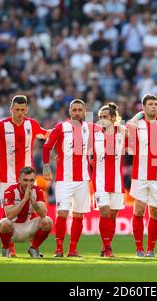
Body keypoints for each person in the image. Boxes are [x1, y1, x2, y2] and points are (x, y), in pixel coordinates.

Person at [0, 95, 49, 257]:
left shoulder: (32, 124)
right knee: (7, 214)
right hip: (7, 177)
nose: (19, 113)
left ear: (27, 110)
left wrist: (65, 129)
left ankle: (33, 246)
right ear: (11, 109)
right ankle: (9, 247)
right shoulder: (1, 126)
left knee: (32, 209)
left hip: (28, 177)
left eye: (22, 110)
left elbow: (46, 135)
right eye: (16, 110)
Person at [43, 99, 101, 257]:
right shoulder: (61, 127)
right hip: (64, 179)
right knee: (62, 213)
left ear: (84, 111)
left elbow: (110, 129)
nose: (77, 112)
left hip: (83, 180)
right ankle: (59, 249)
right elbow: (47, 146)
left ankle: (72, 250)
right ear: (69, 112)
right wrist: (46, 166)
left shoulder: (89, 127)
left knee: (78, 215)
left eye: (80, 110)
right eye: (74, 109)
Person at [127, 94, 157, 257]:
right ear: (143, 107)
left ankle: (151, 249)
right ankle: (139, 248)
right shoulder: (137, 125)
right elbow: (129, 124)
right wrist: (138, 115)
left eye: (155, 104)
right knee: (138, 210)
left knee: (155, 213)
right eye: (150, 104)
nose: (153, 107)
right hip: (140, 175)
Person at [92, 102, 126, 257]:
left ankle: (104, 245)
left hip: (117, 181)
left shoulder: (123, 131)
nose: (102, 119)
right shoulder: (94, 133)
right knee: (105, 212)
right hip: (99, 181)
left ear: (113, 118)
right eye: (100, 117)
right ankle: (108, 248)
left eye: (105, 116)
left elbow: (137, 120)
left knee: (113, 214)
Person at [0, 166, 53, 258]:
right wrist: (24, 200)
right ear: (19, 179)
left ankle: (34, 248)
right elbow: (9, 215)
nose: (28, 183)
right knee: (4, 223)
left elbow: (43, 213)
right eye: (25, 180)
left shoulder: (37, 190)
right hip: (12, 228)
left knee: (47, 221)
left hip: (29, 227)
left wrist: (32, 200)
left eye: (31, 180)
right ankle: (6, 248)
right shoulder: (10, 191)